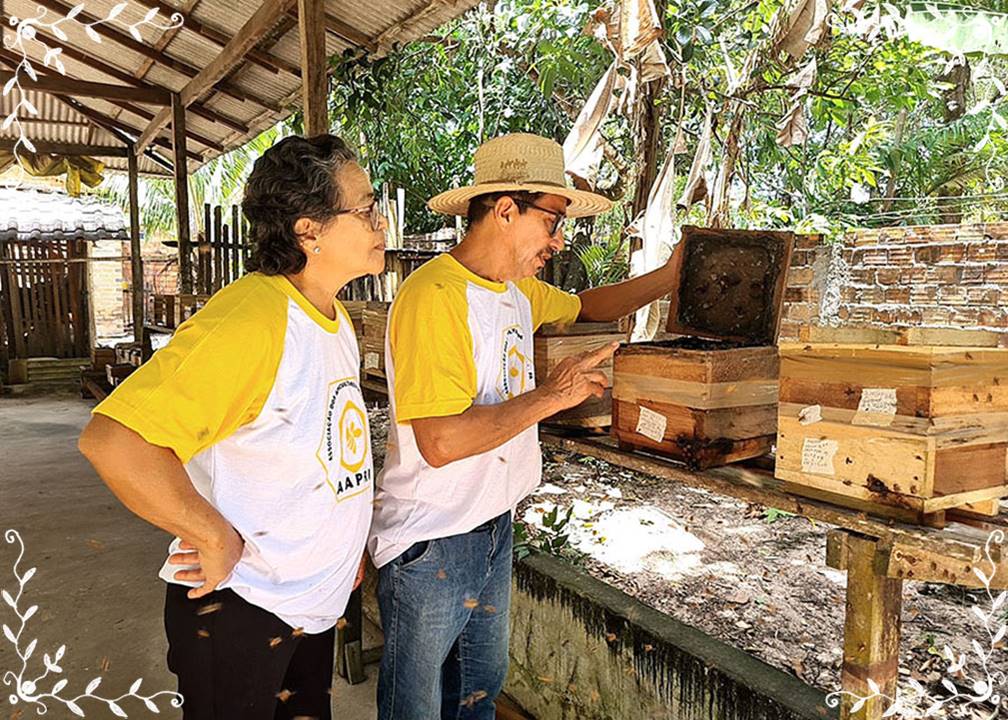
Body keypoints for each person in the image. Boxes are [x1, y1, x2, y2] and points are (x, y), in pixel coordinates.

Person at [370, 132, 682, 719]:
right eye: (552, 220)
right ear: (506, 211)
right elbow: (440, 442)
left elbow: (588, 306)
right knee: (417, 708)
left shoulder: (516, 291)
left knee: (478, 695)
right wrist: (550, 398)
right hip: (433, 537)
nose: (558, 239)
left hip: (489, 524)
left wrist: (670, 275)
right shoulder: (434, 297)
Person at [78, 134, 385, 720]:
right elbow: (114, 441)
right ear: (308, 230)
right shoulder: (252, 319)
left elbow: (320, 453)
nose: (380, 222)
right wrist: (214, 535)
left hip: (303, 604)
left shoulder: (332, 316)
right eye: (365, 208)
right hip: (242, 608)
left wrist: (343, 549)